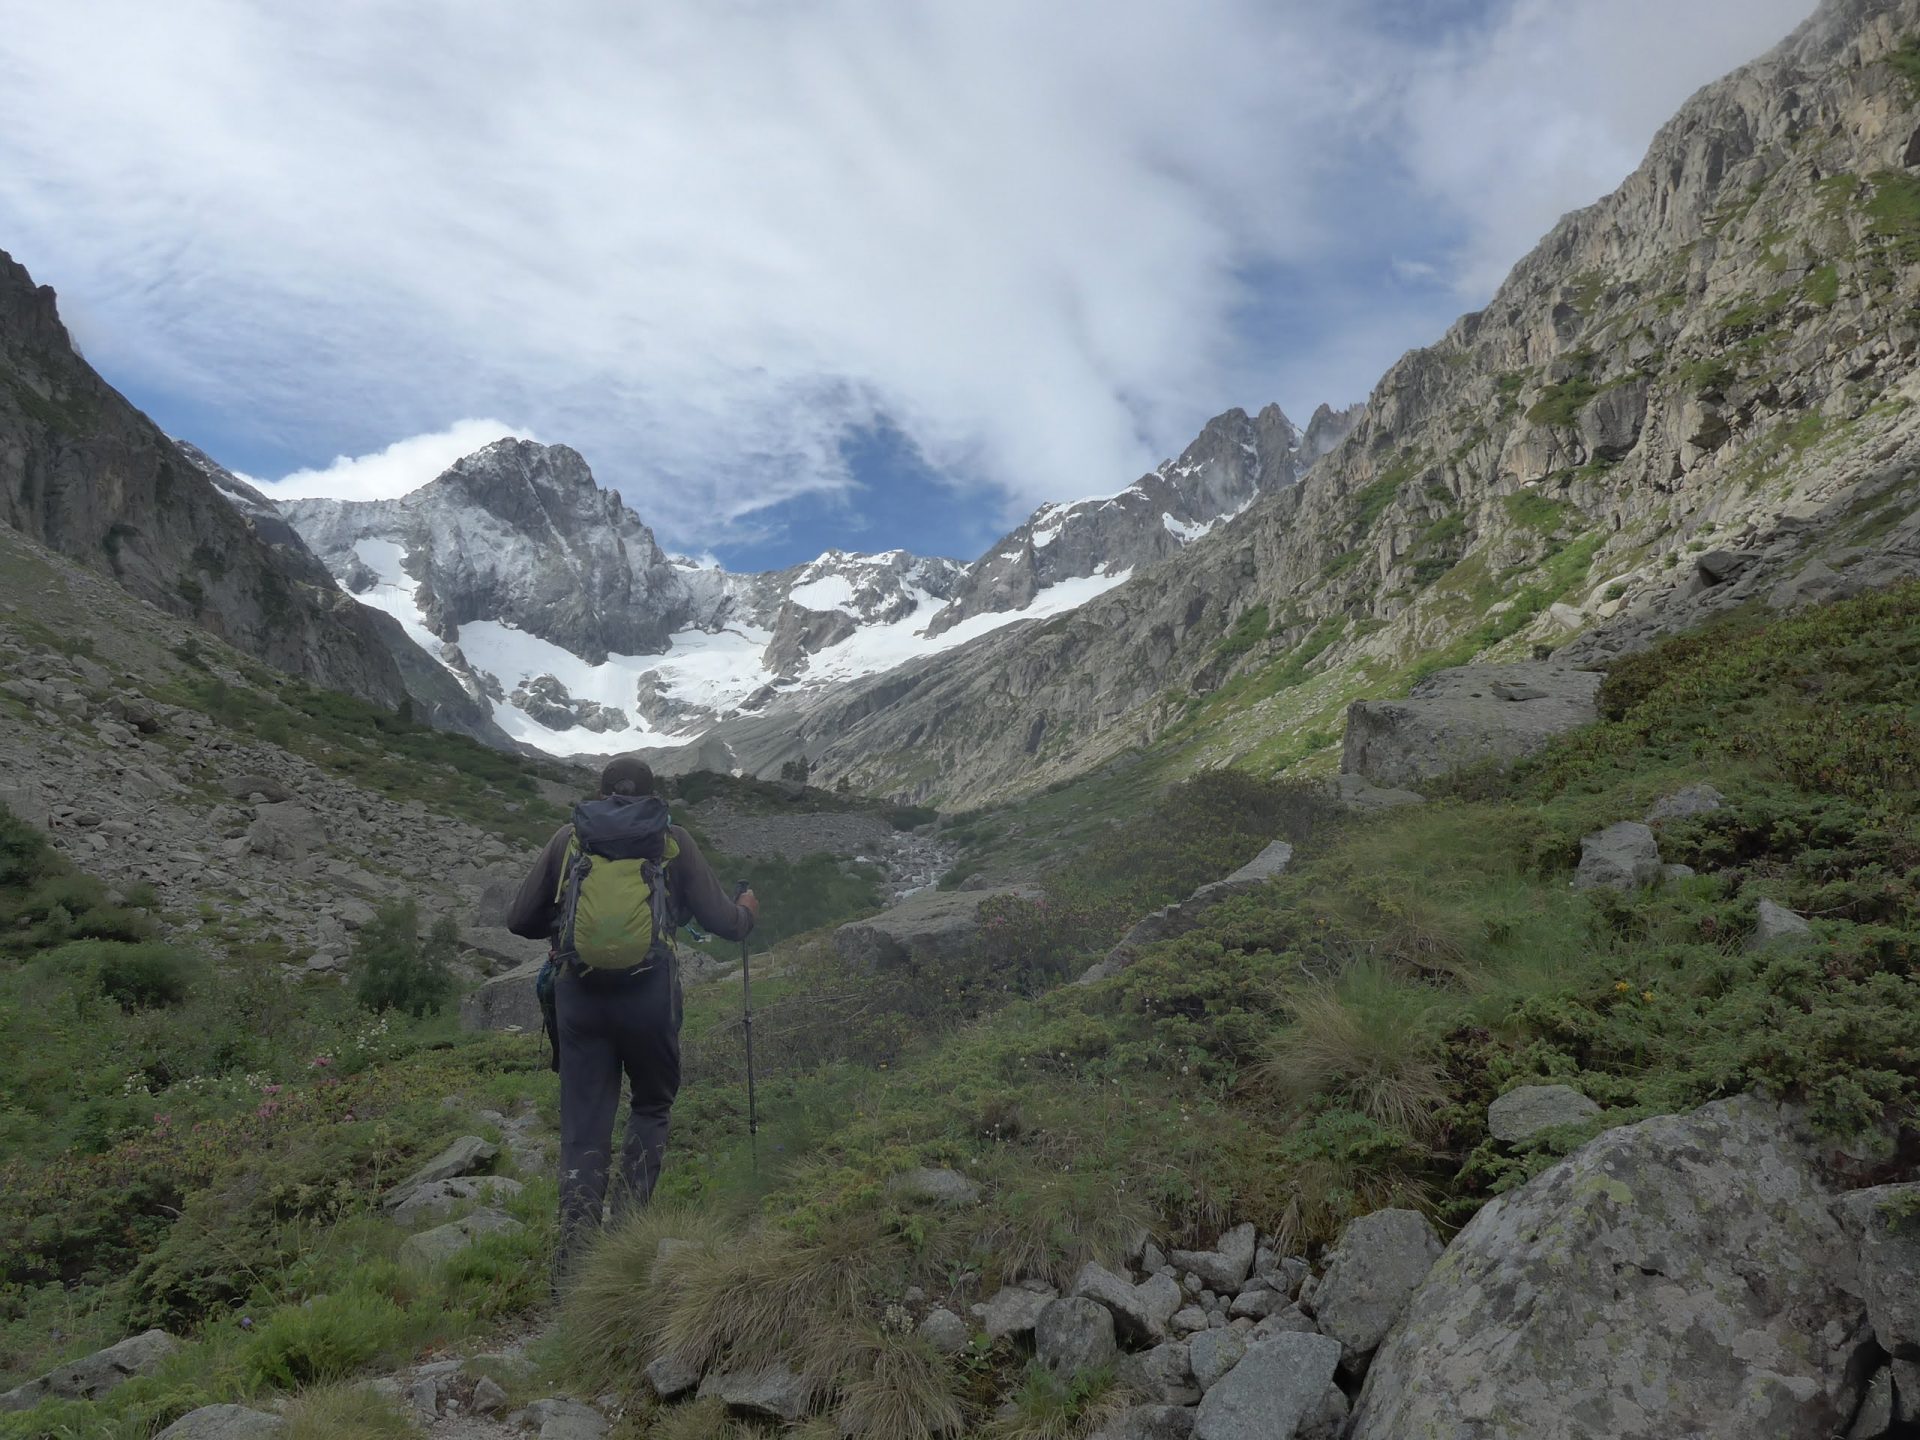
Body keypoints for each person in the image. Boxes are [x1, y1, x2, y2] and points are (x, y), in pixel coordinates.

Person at [504, 756, 757, 1282]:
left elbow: (518, 919)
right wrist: (748, 908)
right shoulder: (671, 841)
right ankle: (625, 1237)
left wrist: (567, 922)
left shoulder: (569, 840)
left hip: (580, 996)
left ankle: (574, 1265)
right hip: (649, 996)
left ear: (602, 794)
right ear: (650, 795)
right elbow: (727, 924)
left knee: (584, 1127)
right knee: (651, 1104)